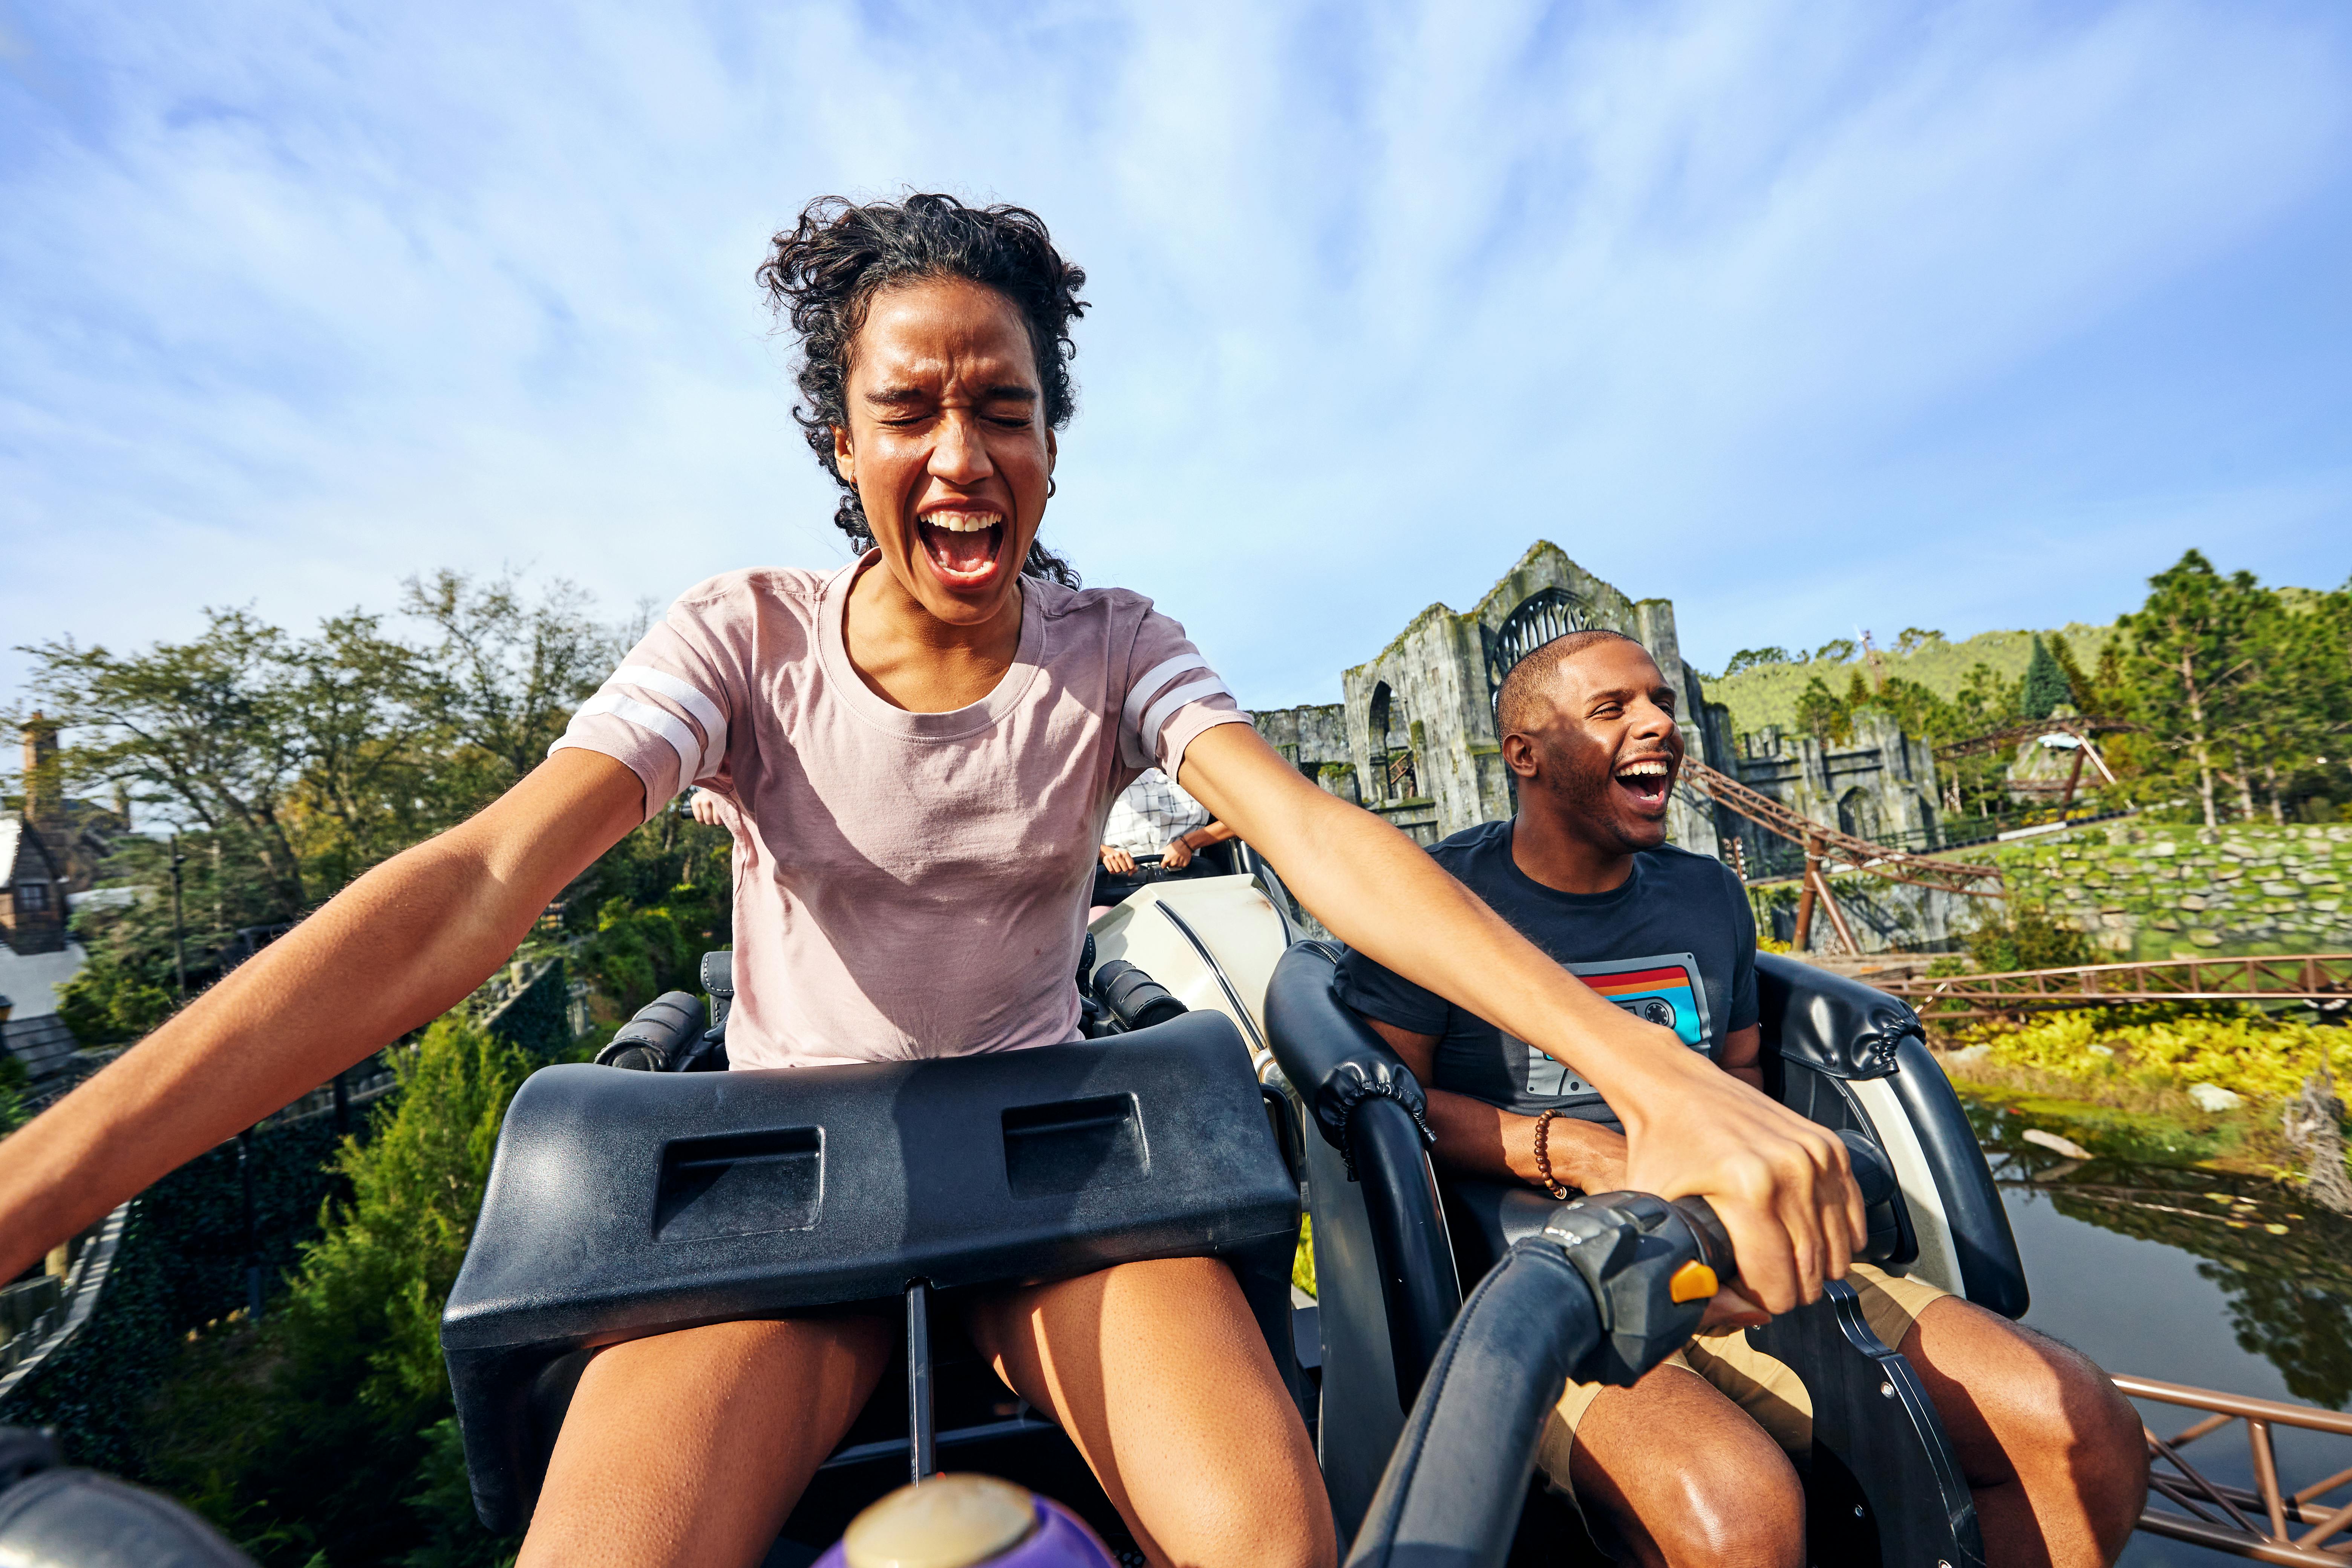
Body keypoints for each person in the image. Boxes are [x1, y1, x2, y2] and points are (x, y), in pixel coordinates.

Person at [0, 196, 1867, 1568]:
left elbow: (1316, 838)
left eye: (1007, 409)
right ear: (843, 440)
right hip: (779, 1203)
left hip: (1061, 1179)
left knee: (1266, 1541)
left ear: (1052, 440)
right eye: (910, 410)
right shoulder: (740, 641)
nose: (960, 457)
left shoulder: (1117, 643)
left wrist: (1661, 1078)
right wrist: (47, 1179)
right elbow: (488, 873)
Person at [1335, 629, 2149, 1568]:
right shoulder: (1436, 896)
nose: (1658, 725)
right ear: (1523, 753)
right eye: (1612, 709)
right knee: (1735, 1515)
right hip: (1542, 1279)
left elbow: (1740, 1078)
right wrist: (1585, 1152)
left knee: (2079, 1423)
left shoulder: (1706, 895)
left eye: (1662, 703)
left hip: (1722, 1242)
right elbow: (1394, 1105)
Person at [1092, 767, 1237, 914]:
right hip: (1117, 888)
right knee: (1096, 925)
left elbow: (1246, 818)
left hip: (1186, 882)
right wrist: (1104, 853)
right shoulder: (1103, 776)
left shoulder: (1199, 774)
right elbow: (1072, 833)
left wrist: (1188, 844)